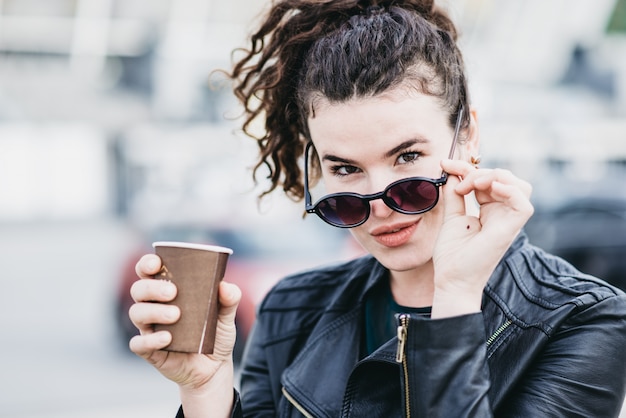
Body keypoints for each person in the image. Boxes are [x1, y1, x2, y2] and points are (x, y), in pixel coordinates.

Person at [128, 0, 626, 416]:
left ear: (467, 135)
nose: (379, 205)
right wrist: (205, 387)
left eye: (407, 158)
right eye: (345, 171)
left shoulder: (583, 320)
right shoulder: (292, 308)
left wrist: (454, 295)